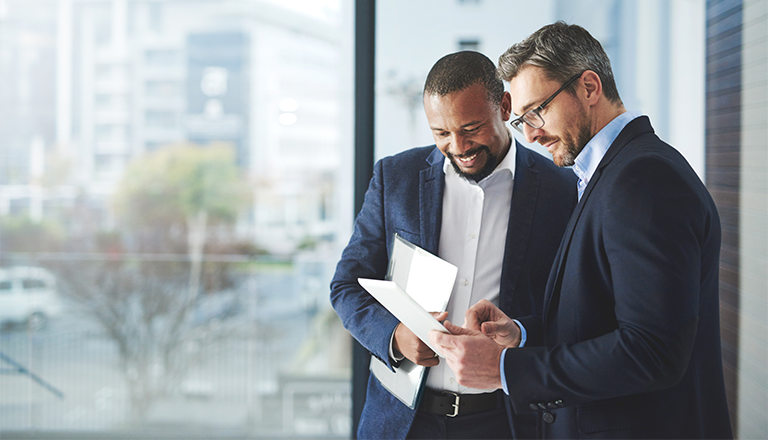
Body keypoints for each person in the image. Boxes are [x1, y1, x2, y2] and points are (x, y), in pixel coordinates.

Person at [430, 22, 734, 439]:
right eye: (522, 121)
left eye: (537, 111)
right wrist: (520, 333)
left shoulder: (643, 178)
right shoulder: (607, 173)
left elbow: (652, 351)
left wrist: (503, 369)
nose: (532, 134)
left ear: (589, 87)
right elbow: (608, 319)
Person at [330, 51, 577, 439]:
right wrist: (394, 337)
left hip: (507, 421)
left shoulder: (562, 190)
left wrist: (518, 333)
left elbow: (573, 312)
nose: (458, 146)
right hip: (402, 422)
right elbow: (346, 286)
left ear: (505, 106)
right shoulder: (395, 178)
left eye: (471, 128)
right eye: (441, 133)